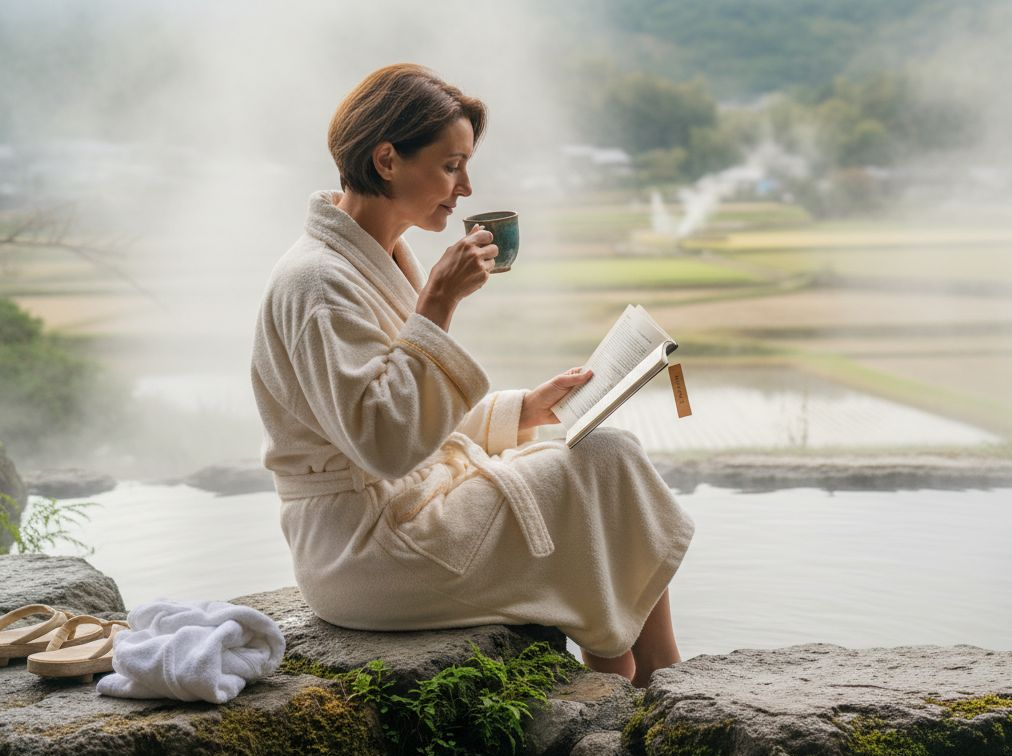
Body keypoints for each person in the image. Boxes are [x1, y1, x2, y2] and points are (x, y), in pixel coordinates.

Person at [249, 63, 695, 687]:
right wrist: (437, 304)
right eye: (451, 165)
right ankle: (651, 679)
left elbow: (397, 408)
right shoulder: (318, 283)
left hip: (403, 513)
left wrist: (525, 411)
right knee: (603, 461)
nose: (464, 187)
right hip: (364, 552)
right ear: (386, 160)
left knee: (602, 458)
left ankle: (630, 675)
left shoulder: (370, 257)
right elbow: (382, 443)